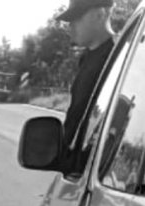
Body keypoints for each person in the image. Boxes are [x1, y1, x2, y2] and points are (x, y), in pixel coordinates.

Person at [57, 0, 116, 149]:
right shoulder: (86, 57)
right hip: (75, 157)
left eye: (76, 18)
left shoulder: (117, 57)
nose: (70, 27)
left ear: (100, 14)